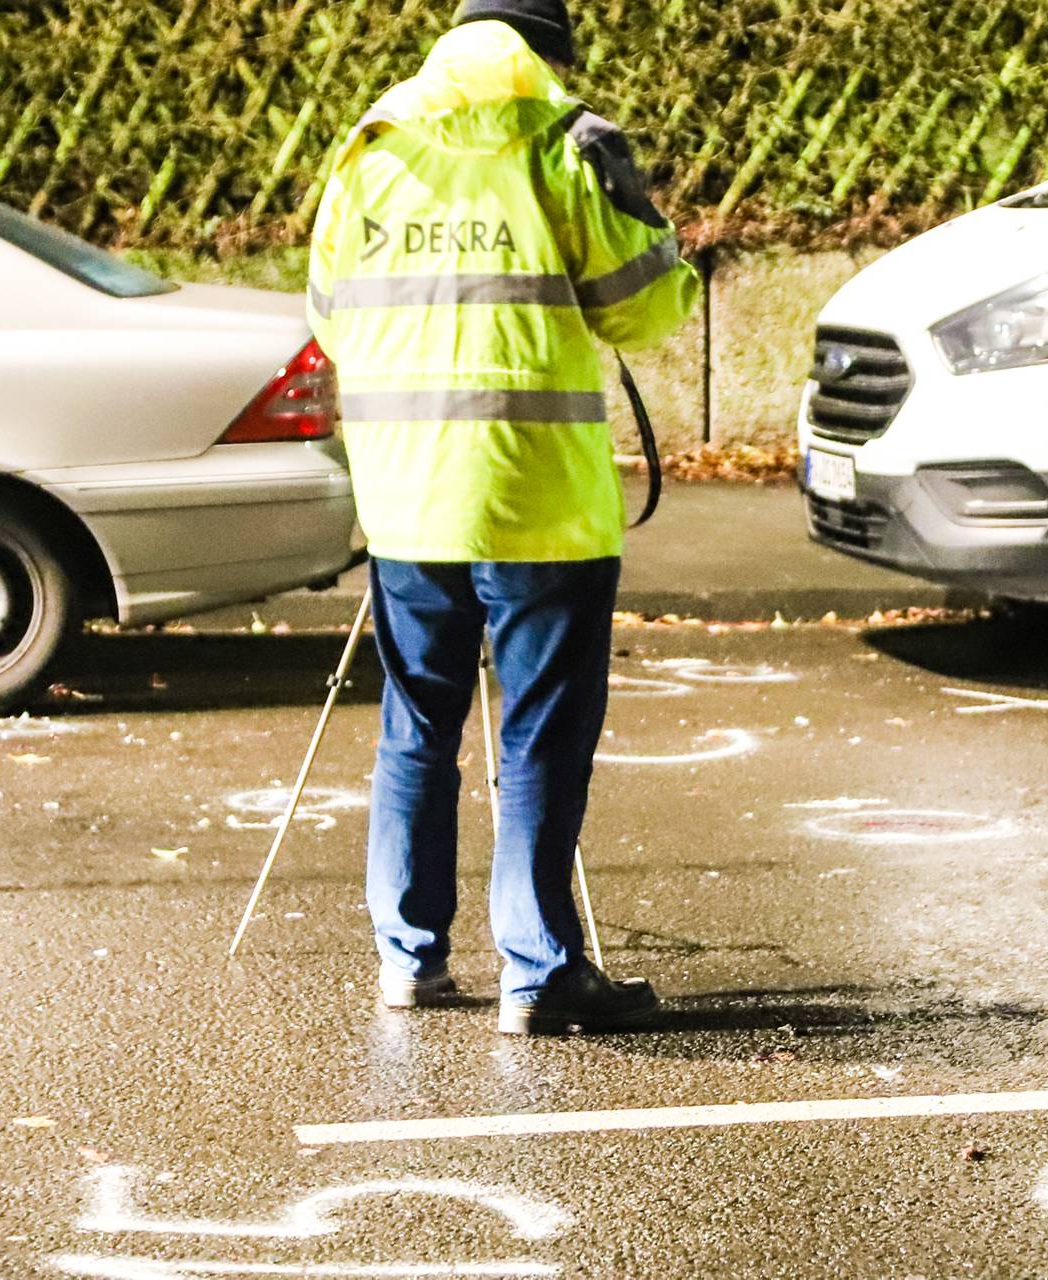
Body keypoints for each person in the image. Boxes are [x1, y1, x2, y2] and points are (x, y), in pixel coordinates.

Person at [306, 0, 699, 1034]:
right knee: (536, 738)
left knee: (414, 727)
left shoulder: (371, 145)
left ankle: (409, 958)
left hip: (407, 496)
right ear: (554, 51)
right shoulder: (572, 142)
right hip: (540, 503)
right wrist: (672, 249)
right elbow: (642, 306)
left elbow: (330, 317)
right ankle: (537, 971)